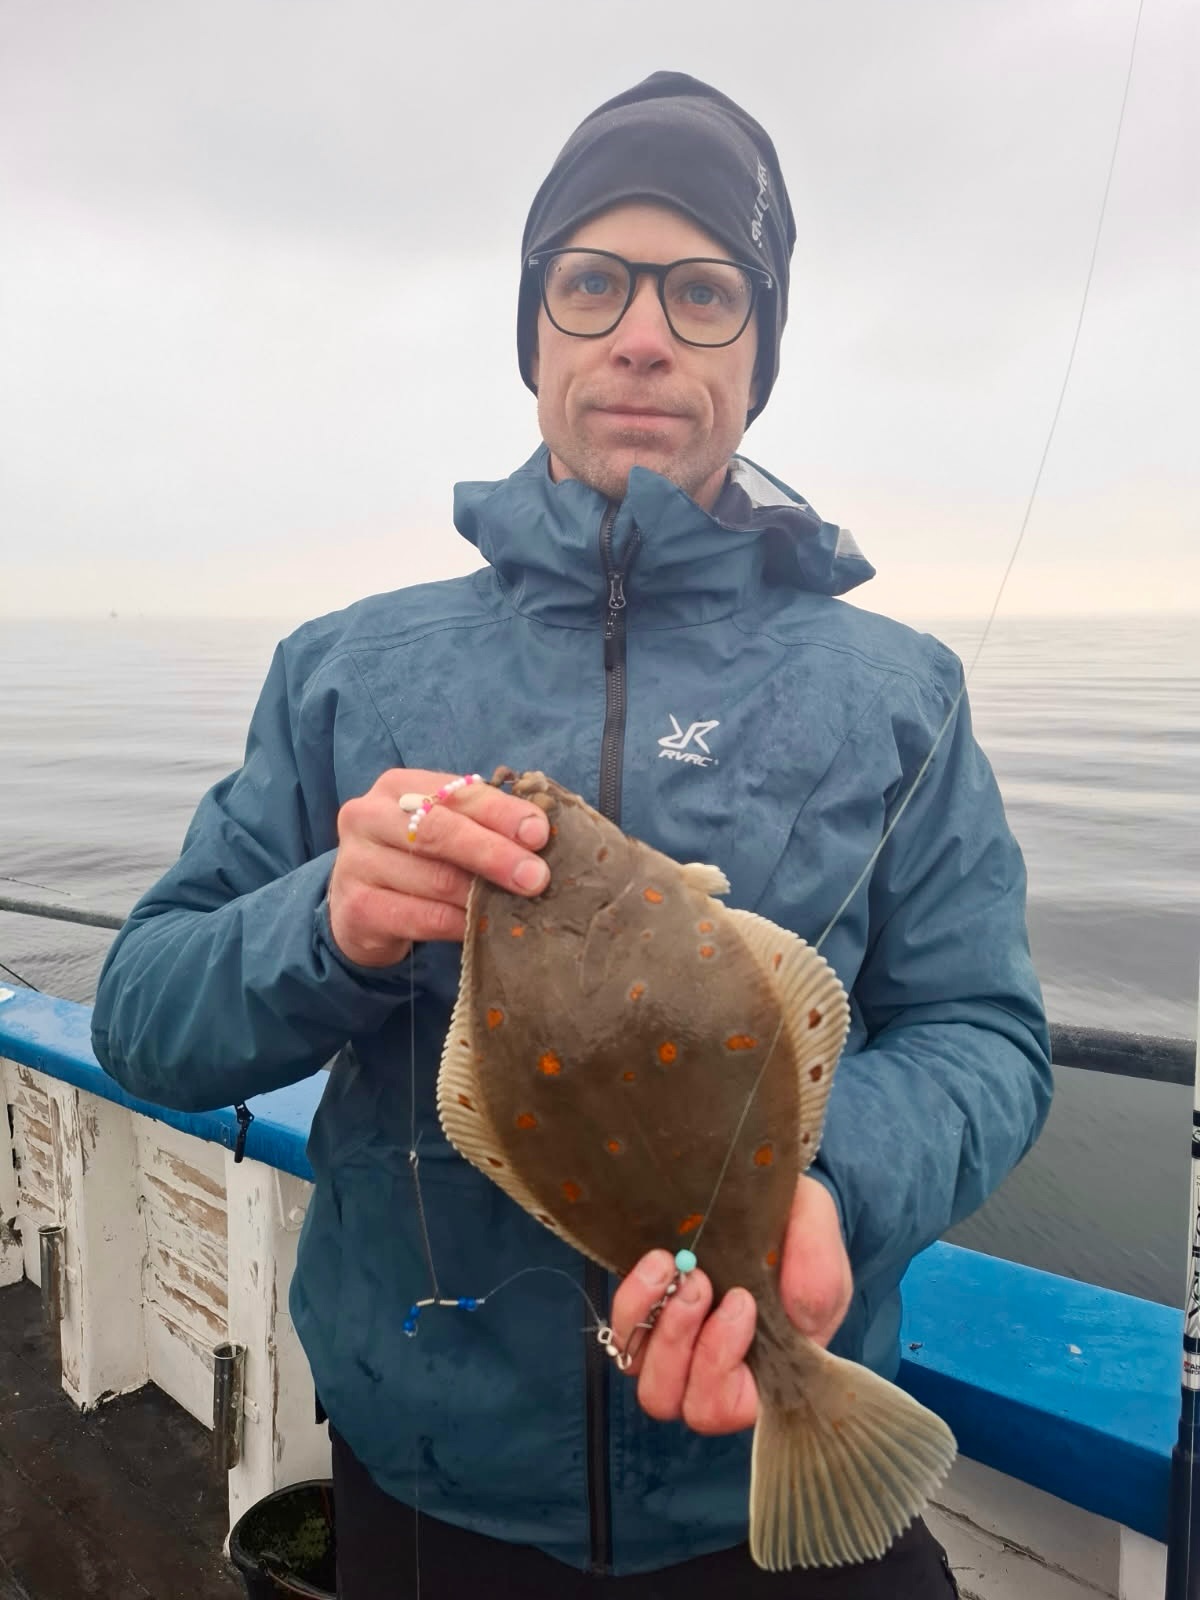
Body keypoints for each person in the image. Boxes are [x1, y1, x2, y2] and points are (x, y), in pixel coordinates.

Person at [92, 71, 1052, 1599]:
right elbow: (142, 1017)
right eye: (592, 282)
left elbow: (986, 1036)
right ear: (535, 326)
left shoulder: (899, 697)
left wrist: (827, 1195)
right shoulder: (347, 671)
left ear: (764, 345)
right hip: (431, 1496)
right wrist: (327, 922)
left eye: (705, 291)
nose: (644, 332)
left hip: (757, 1468)